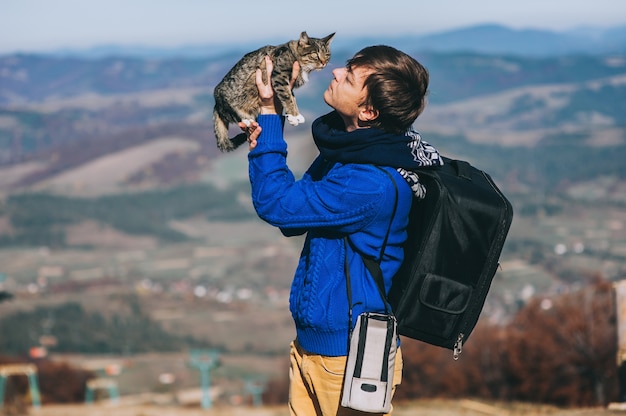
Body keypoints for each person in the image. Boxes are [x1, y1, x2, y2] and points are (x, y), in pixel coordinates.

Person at [240, 45, 442, 415]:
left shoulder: (368, 182)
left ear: (368, 111)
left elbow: (278, 205)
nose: (334, 73)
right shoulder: (356, 153)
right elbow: (297, 215)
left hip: (348, 357)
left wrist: (270, 116)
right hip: (316, 347)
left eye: (348, 77)